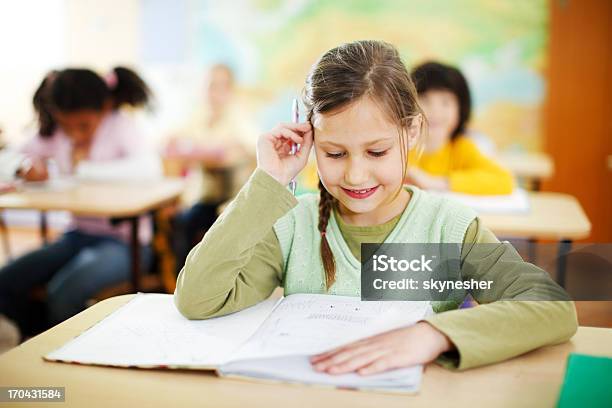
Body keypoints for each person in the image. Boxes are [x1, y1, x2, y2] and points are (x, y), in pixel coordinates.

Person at [173, 41, 576, 373]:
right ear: (309, 141)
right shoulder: (294, 224)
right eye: (334, 153)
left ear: (412, 130)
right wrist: (269, 181)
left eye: (377, 151)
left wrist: (436, 334)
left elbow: (552, 307)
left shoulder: (446, 228)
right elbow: (198, 298)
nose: (356, 175)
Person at [0, 67, 162, 340]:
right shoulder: (55, 133)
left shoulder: (119, 124)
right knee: (5, 282)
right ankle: (40, 338)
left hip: (125, 243)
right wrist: (23, 167)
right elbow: (9, 157)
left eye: (83, 126)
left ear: (105, 107)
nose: (74, 135)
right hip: (77, 236)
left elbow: (150, 168)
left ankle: (62, 347)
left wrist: (82, 170)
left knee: (64, 292)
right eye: (66, 126)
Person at [167, 64, 258, 273]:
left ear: (230, 90)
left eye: (220, 87)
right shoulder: (199, 117)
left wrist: (197, 151)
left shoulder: (239, 116)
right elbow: (171, 142)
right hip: (203, 198)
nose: (213, 93)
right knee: (183, 223)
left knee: (219, 230)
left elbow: (238, 151)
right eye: (209, 86)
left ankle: (213, 278)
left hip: (233, 198)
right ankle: (181, 280)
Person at [407, 61, 514, 195]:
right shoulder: (400, 147)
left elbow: (503, 181)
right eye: (425, 100)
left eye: (445, 102)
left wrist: (435, 182)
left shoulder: (461, 148)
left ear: (461, 109)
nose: (435, 111)